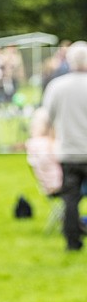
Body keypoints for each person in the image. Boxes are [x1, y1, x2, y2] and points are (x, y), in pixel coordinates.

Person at [42, 41, 87, 251]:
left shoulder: (57, 86)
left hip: (69, 152)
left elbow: (47, 119)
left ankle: (72, 241)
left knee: (71, 200)